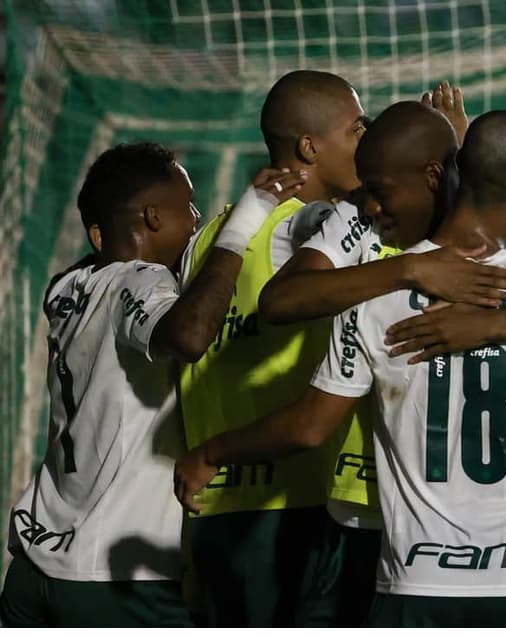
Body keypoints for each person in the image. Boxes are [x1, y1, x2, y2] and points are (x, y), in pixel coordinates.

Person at [174, 110, 506, 627]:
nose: (372, 204)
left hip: (416, 579)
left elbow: (309, 426)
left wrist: (211, 451)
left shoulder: (369, 298)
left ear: (448, 173)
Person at [0, 142, 303, 626]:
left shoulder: (66, 286)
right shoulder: (137, 283)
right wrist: (240, 228)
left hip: (33, 566)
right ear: (153, 217)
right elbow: (188, 335)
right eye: (189, 206)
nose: (198, 216)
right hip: (112, 578)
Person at [176, 70, 374, 627]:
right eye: (357, 131)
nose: (369, 143)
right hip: (294, 503)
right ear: (310, 147)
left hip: (216, 506)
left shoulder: (210, 237)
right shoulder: (322, 233)